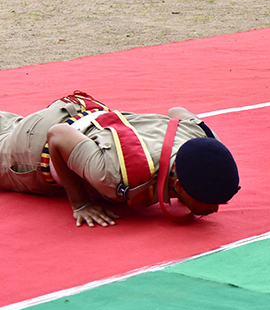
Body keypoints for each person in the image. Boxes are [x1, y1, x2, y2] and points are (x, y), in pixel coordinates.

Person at [0, 91, 240, 227]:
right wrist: (81, 204)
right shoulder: (118, 178)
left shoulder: (205, 139)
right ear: (178, 185)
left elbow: (177, 112)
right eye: (208, 201)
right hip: (33, 148)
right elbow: (57, 137)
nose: (215, 209)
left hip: (82, 112)